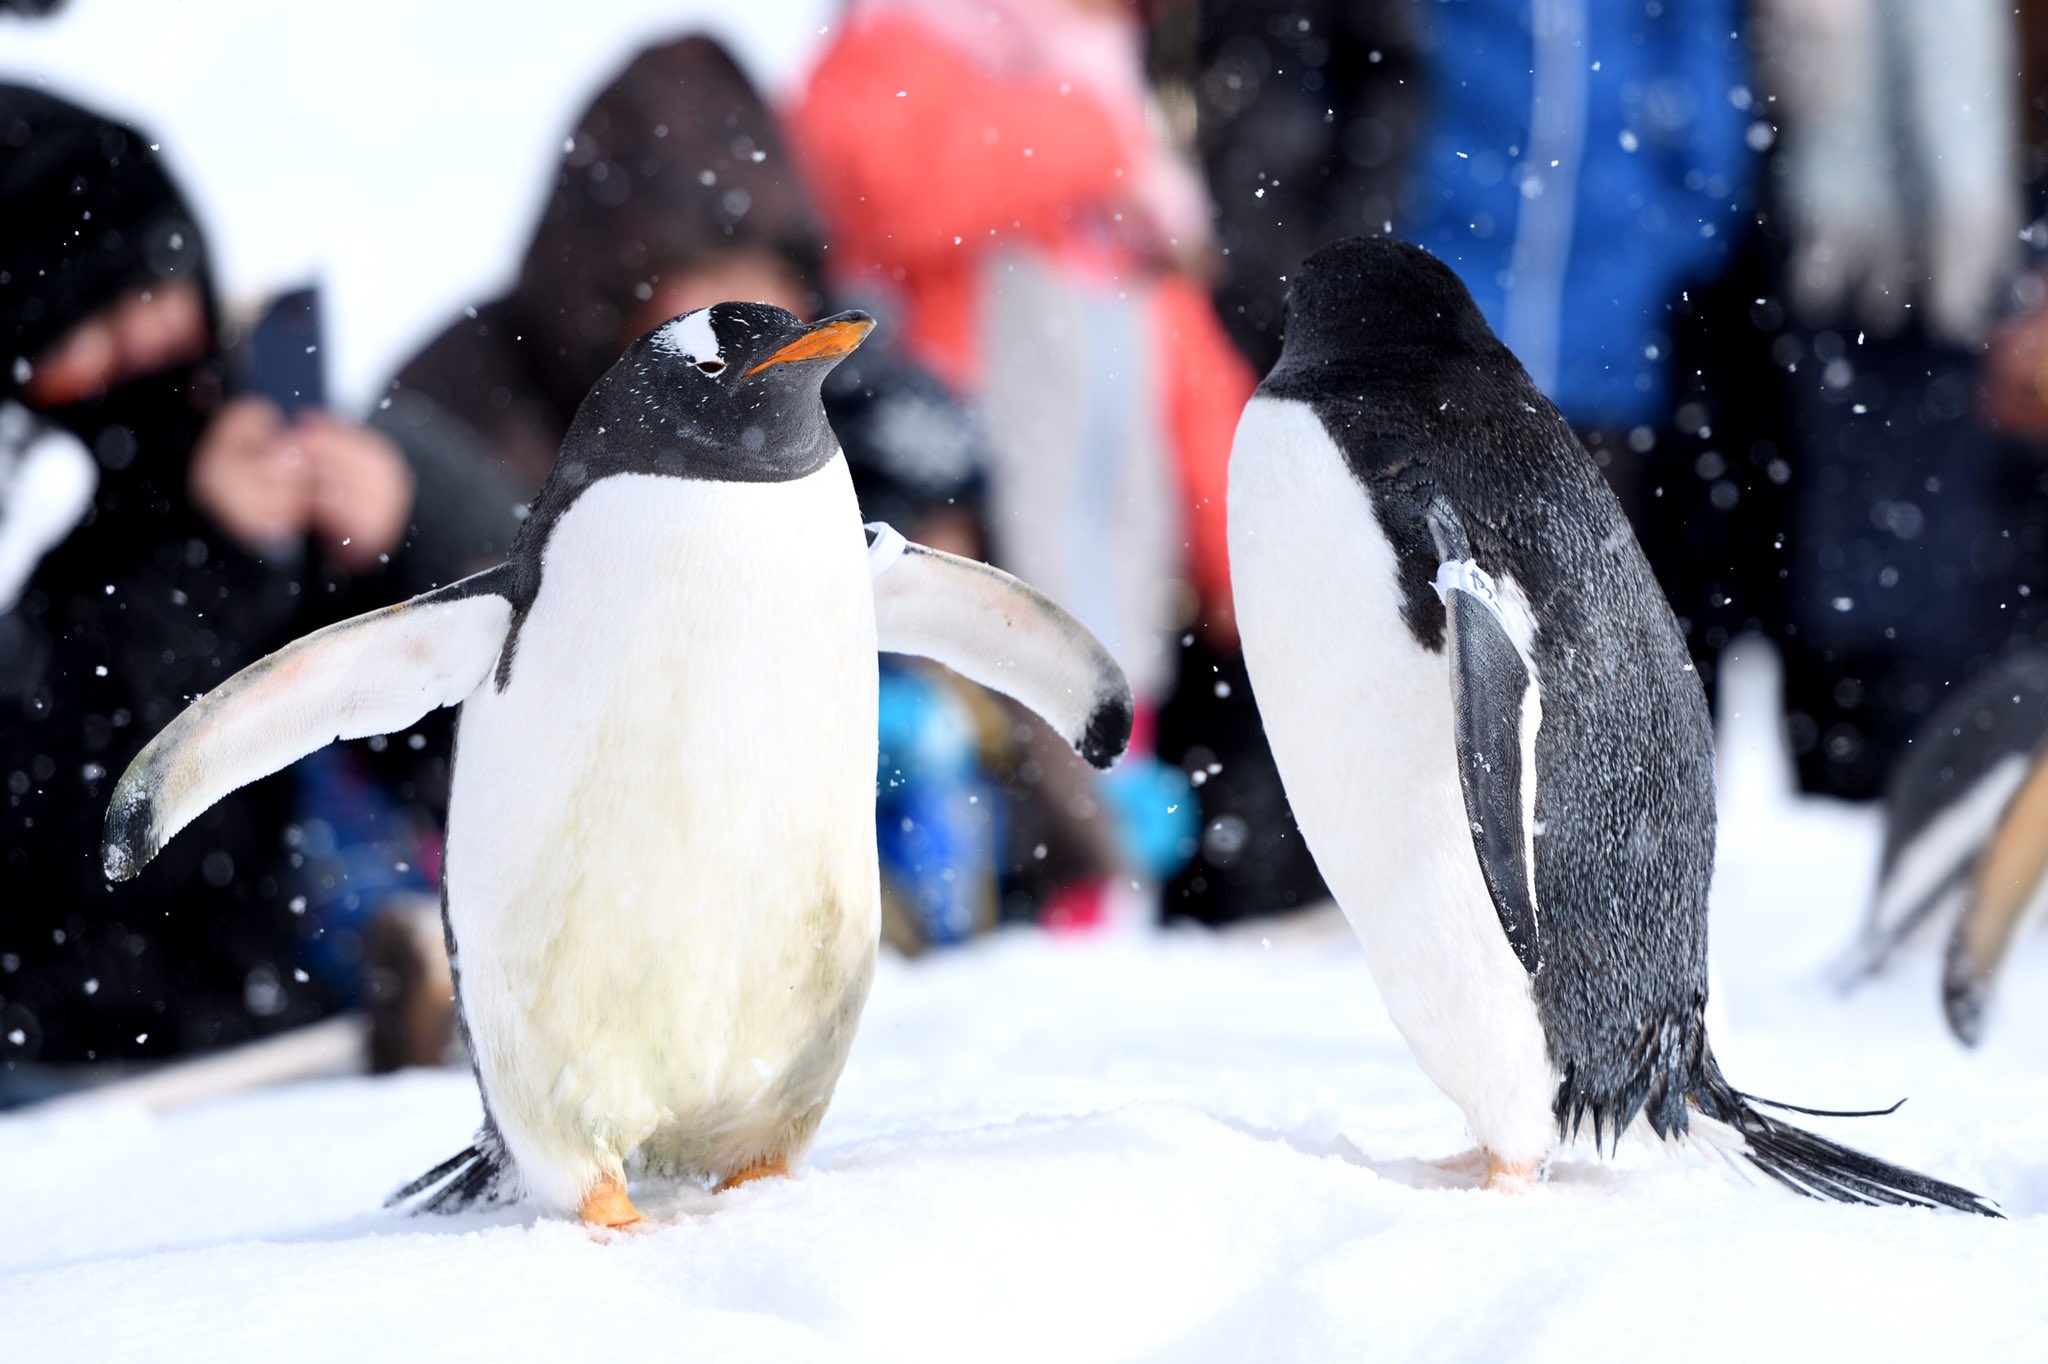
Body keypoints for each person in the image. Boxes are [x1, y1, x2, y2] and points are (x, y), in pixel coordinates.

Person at [0, 86, 509, 1093]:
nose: (134, 353)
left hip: (302, 1008)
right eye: (77, 334)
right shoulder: (35, 508)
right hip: (116, 1056)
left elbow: (506, 693)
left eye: (147, 294)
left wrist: (391, 540)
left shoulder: (285, 403)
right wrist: (209, 561)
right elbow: (80, 821)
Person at [791, 0, 1247, 925]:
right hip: (952, 524)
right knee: (951, 771)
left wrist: (1242, 543)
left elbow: (1182, 363)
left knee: (1107, 784)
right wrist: (1082, 127)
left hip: (1111, 585)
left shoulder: (1124, 141)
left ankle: (1089, 928)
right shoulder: (905, 37)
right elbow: (882, 187)